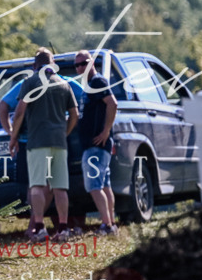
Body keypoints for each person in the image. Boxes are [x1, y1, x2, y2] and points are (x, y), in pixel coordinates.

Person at [7, 48, 79, 242]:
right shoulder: (64, 84)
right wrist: (65, 132)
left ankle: (39, 228)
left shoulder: (30, 82)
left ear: (34, 65)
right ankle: (63, 229)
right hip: (59, 142)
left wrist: (13, 137)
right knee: (60, 187)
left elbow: (20, 112)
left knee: (37, 186)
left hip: (37, 141)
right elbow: (74, 114)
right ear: (53, 63)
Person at [75, 50, 119, 235]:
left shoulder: (98, 82)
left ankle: (106, 225)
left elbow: (112, 104)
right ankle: (111, 223)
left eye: (84, 63)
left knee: (94, 186)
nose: (81, 67)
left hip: (96, 145)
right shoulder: (90, 85)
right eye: (77, 65)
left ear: (92, 62)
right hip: (96, 145)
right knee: (105, 185)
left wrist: (106, 131)